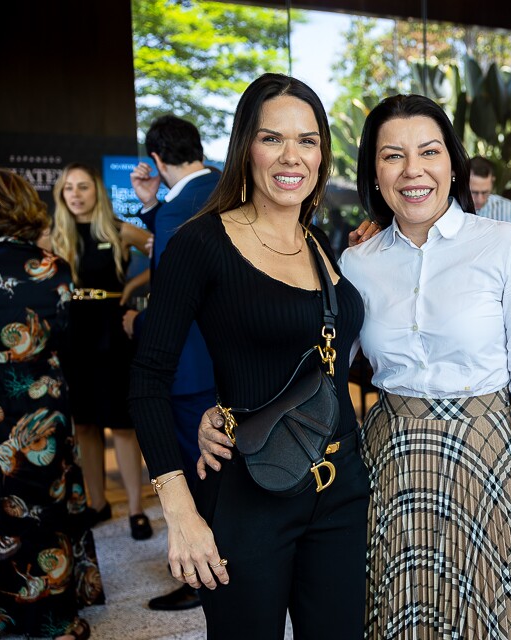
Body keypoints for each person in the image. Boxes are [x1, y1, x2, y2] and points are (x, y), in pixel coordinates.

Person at [198, 94, 511, 638]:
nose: (413, 170)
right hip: (389, 457)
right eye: (393, 156)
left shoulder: (505, 246)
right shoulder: (354, 263)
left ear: (452, 164)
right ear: (375, 171)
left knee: (487, 611)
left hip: (485, 458)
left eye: (429, 152)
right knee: (393, 612)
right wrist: (229, 413)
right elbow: (311, 364)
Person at [127, 73, 369, 639]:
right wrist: (181, 512)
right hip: (248, 491)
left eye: (307, 141)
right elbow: (147, 380)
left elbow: (320, 357)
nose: (293, 156)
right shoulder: (200, 242)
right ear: (245, 147)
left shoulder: (318, 242)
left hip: (341, 487)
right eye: (272, 138)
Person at [0, 168, 103, 640]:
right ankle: (56, 621)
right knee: (46, 510)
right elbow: (64, 337)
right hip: (42, 407)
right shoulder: (52, 267)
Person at [124, 115, 220, 612]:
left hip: (191, 370)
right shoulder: (229, 187)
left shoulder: (172, 211)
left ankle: (203, 578)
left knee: (196, 475)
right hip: (232, 365)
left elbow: (167, 307)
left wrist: (136, 325)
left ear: (158, 159)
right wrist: (149, 205)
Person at [49, 163, 153, 541]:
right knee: (86, 424)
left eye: (83, 187)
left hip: (111, 330)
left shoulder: (117, 228)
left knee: (122, 425)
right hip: (71, 334)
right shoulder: (53, 236)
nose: (75, 195)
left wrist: (134, 286)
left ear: (97, 191)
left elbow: (165, 253)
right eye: (68, 189)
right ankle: (97, 503)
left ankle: (136, 508)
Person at [469, 155, 511, 225]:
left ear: (492, 182)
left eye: (485, 192)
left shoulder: (510, 211)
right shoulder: (453, 207)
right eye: (474, 192)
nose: (480, 199)